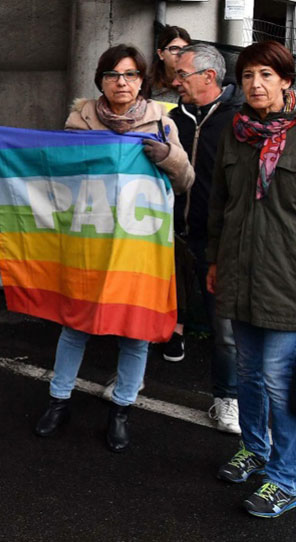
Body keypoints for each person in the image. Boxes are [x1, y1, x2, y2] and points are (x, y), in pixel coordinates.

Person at [35, 44, 194, 453]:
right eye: (112, 75)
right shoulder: (80, 119)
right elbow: (59, 173)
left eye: (130, 75)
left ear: (142, 80)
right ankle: (58, 401)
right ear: (100, 81)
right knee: (75, 325)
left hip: (140, 246)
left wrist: (170, 158)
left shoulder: (162, 121)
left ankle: (121, 410)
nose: (121, 83)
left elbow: (187, 180)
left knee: (135, 333)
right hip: (88, 240)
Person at [207, 40, 296, 519]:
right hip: (239, 274)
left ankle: (285, 478)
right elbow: (221, 203)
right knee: (248, 375)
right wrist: (216, 260)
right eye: (247, 76)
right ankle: (255, 450)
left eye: (266, 74)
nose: (256, 84)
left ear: (285, 80)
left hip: (288, 281)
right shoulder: (234, 134)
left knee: (282, 383)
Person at [168, 43, 245, 434]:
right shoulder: (169, 118)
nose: (174, 80)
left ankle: (226, 400)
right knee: (147, 312)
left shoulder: (240, 120)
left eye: (182, 74)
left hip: (215, 243)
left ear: (209, 77)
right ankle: (128, 382)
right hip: (167, 235)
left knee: (224, 328)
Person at [150, 25, 192, 104]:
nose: (180, 53)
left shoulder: (196, 85)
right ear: (161, 54)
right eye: (174, 48)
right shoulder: (147, 88)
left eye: (186, 49)